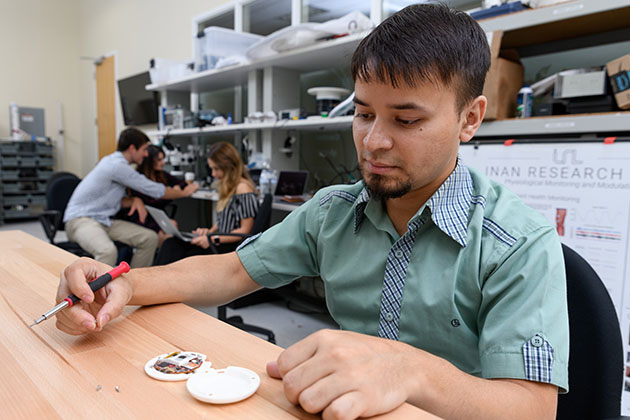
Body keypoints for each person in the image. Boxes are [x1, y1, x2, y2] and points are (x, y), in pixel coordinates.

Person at [55, 5, 568, 419]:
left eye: (406, 120)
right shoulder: (333, 212)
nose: (374, 141)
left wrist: (410, 371)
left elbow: (533, 408)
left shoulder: (517, 243)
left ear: (470, 118)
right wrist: (122, 286)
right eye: (363, 113)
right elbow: (232, 268)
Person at [63, 128, 199, 268]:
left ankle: (133, 283)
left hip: (104, 220)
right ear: (132, 148)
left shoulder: (113, 162)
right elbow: (155, 190)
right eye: (144, 149)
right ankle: (95, 289)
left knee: (149, 238)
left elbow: (112, 199)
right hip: (80, 220)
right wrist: (184, 192)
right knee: (108, 251)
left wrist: (134, 200)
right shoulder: (117, 166)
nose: (146, 154)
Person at [153, 141, 258, 264]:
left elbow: (245, 230)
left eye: (216, 169)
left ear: (229, 166)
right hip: (218, 241)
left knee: (175, 250)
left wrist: (212, 239)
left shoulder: (243, 188)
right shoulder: (229, 186)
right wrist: (209, 232)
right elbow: (225, 222)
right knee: (171, 243)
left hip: (227, 247)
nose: (213, 174)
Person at [122, 144, 188, 245]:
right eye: (159, 160)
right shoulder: (138, 178)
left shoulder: (161, 174)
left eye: (163, 159)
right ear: (150, 162)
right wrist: (172, 194)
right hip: (143, 217)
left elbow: (181, 184)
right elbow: (151, 202)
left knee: (172, 228)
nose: (163, 162)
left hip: (158, 216)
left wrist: (176, 190)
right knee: (168, 235)